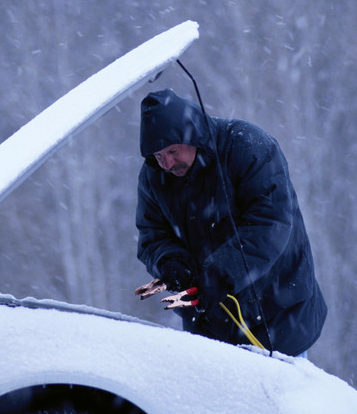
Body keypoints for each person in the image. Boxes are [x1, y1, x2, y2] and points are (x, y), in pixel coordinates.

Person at [135, 88, 327, 357]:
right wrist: (170, 263)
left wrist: (221, 274)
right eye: (157, 156)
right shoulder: (153, 177)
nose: (167, 163)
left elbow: (270, 225)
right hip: (211, 331)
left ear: (192, 133)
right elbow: (151, 237)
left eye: (172, 150)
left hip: (279, 318)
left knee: (285, 398)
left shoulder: (248, 146)